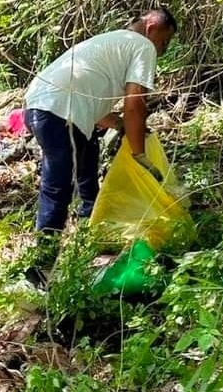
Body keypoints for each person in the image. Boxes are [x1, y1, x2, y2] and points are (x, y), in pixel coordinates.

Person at [23, 8, 177, 236]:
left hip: (40, 106)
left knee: (86, 156)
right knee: (59, 183)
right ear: (151, 26)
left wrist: (119, 124)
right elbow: (134, 104)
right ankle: (44, 255)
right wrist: (139, 155)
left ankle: (90, 223)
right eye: (164, 42)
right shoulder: (142, 45)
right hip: (59, 110)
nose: (163, 50)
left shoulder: (112, 43)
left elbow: (93, 106)